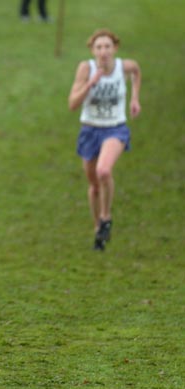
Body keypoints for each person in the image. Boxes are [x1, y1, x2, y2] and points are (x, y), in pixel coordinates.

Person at [68, 29, 141, 250]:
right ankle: (98, 230)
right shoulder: (85, 69)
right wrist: (90, 83)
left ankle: (106, 217)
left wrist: (135, 98)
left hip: (114, 129)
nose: (103, 51)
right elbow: (72, 104)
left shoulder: (123, 67)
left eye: (107, 46)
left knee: (104, 171)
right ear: (92, 50)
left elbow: (136, 71)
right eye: (99, 47)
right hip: (90, 130)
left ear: (115, 48)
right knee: (94, 186)